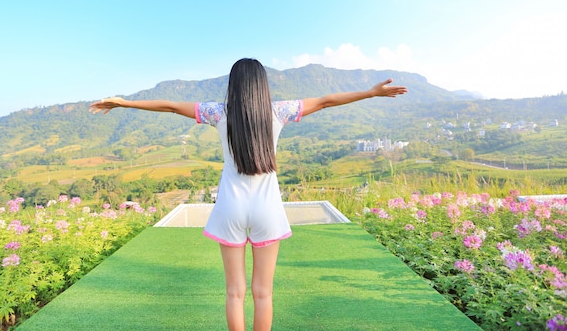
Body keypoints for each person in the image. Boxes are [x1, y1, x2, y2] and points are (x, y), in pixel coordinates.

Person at [89, 58, 407, 331]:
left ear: (234, 85)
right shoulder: (280, 111)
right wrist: (370, 92)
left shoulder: (217, 112)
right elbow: (325, 100)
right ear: (261, 85)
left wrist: (125, 103)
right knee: (264, 293)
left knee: (234, 293)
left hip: (230, 208)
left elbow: (171, 106)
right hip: (267, 209)